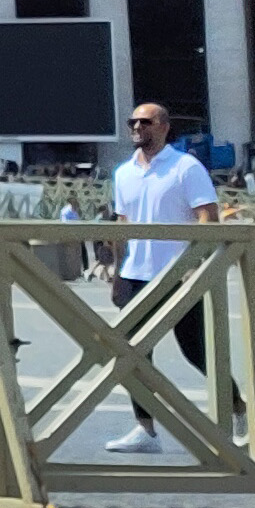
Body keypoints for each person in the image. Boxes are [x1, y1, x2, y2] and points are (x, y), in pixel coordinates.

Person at [103, 102, 219, 454]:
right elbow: (122, 225)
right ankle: (145, 429)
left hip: (178, 276)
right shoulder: (123, 173)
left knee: (197, 353)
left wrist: (195, 269)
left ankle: (238, 409)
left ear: (165, 127)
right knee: (133, 355)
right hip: (135, 276)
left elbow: (208, 217)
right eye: (133, 122)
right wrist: (117, 274)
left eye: (146, 121)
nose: (137, 127)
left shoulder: (186, 168)